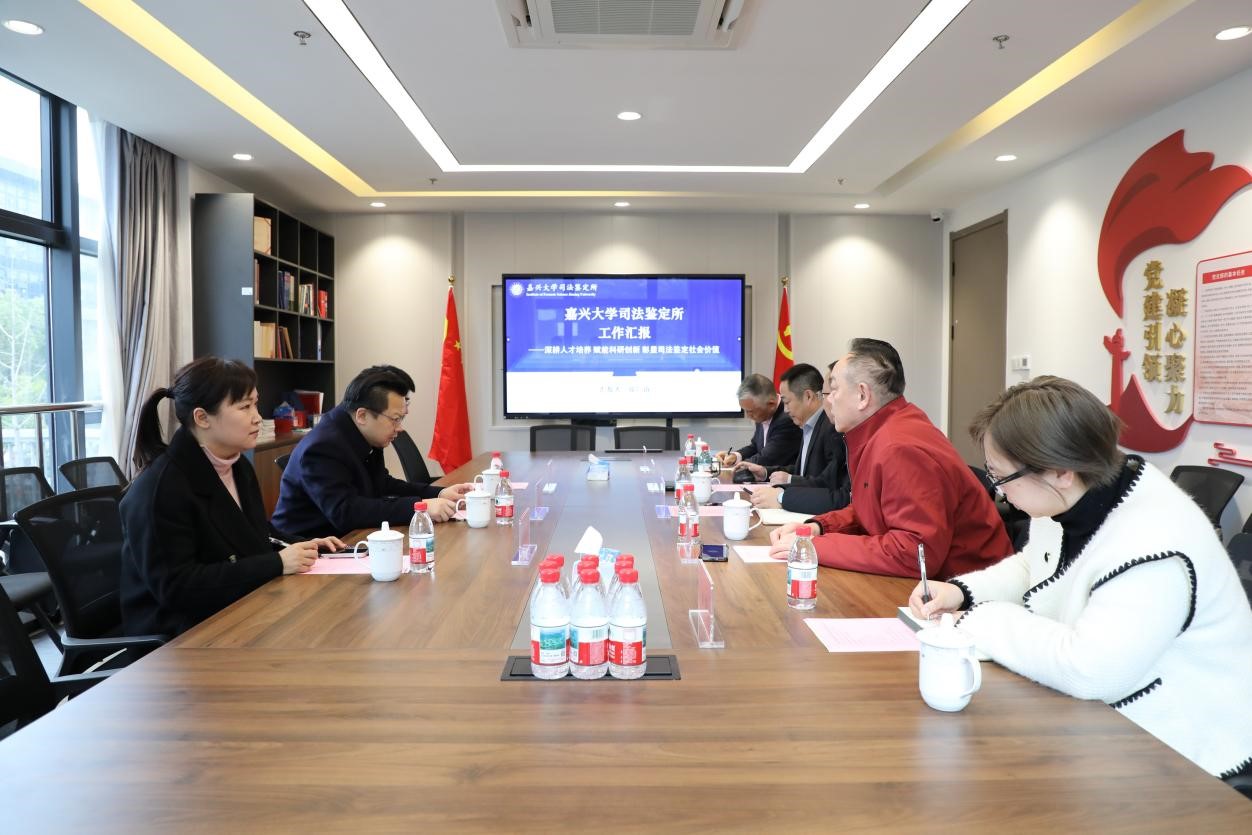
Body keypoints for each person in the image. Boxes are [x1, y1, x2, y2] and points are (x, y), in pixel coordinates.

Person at [910, 376, 1252, 780]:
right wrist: (962, 591)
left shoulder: (1154, 541)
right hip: (1103, 722)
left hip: (1184, 747)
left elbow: (1090, 670)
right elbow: (1034, 566)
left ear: (1060, 471)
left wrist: (979, 620)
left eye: (1001, 477)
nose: (1000, 493)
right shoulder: (1072, 494)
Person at [119, 357, 345, 637]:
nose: (257, 417)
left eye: (255, 404)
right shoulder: (160, 490)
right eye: (244, 407)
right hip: (180, 638)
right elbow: (179, 587)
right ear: (202, 418)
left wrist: (300, 544)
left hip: (237, 608)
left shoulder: (237, 465)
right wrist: (277, 563)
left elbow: (253, 533)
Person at [768, 338, 1012, 577]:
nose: (828, 401)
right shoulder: (885, 430)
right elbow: (871, 510)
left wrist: (815, 548)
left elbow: (914, 553)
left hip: (969, 589)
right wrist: (819, 528)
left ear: (862, 395)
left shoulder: (900, 447)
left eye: (834, 390)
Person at [272, 366, 473, 538]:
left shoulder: (362, 431)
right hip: (308, 551)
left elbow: (382, 484)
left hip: (351, 537)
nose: (400, 428)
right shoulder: (322, 447)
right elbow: (346, 512)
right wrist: (421, 507)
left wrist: (439, 493)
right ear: (362, 415)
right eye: (395, 419)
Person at [740, 363, 850, 516]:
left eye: (786, 402)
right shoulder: (808, 424)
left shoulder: (832, 429)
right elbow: (803, 471)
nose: (785, 410)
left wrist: (783, 494)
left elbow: (828, 484)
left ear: (808, 397)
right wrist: (765, 472)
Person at [716, 373, 801, 470]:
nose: (748, 416)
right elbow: (755, 447)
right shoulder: (763, 413)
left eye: (751, 411)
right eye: (745, 411)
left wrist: (732, 468)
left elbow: (767, 459)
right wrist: (735, 456)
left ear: (771, 404)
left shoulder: (787, 420)